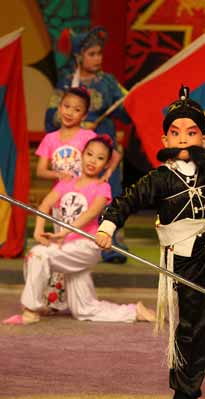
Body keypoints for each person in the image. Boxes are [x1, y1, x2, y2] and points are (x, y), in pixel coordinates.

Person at [95, 86, 205, 399]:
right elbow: (126, 201)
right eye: (175, 133)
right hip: (178, 257)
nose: (182, 139)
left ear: (201, 138)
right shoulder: (159, 178)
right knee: (186, 323)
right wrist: (108, 226)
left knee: (202, 323)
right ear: (165, 141)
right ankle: (183, 383)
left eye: (191, 133)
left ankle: (189, 386)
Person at [2, 136, 155, 325]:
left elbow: (91, 214)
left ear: (106, 164)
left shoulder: (102, 188)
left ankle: (31, 309)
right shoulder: (66, 183)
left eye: (100, 158)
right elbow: (45, 205)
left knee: (37, 255)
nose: (92, 160)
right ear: (81, 156)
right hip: (65, 245)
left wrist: (63, 233)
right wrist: (38, 231)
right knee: (84, 309)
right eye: (89, 154)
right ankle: (134, 311)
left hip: (86, 246)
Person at [45, 25, 131, 263]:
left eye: (99, 54)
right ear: (78, 56)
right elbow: (50, 116)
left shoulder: (109, 83)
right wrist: (80, 124)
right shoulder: (65, 84)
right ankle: (72, 237)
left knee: (107, 192)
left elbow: (126, 114)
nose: (97, 59)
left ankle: (109, 243)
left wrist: (132, 101)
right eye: (92, 54)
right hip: (77, 151)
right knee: (78, 194)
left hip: (103, 147)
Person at [36, 86, 120, 309]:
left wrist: (106, 175)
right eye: (66, 106)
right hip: (60, 203)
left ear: (84, 115)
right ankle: (55, 302)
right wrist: (58, 174)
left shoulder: (88, 136)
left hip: (84, 201)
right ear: (59, 107)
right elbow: (40, 171)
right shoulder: (51, 139)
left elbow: (114, 154)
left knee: (71, 250)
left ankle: (73, 301)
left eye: (77, 109)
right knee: (58, 247)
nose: (70, 112)